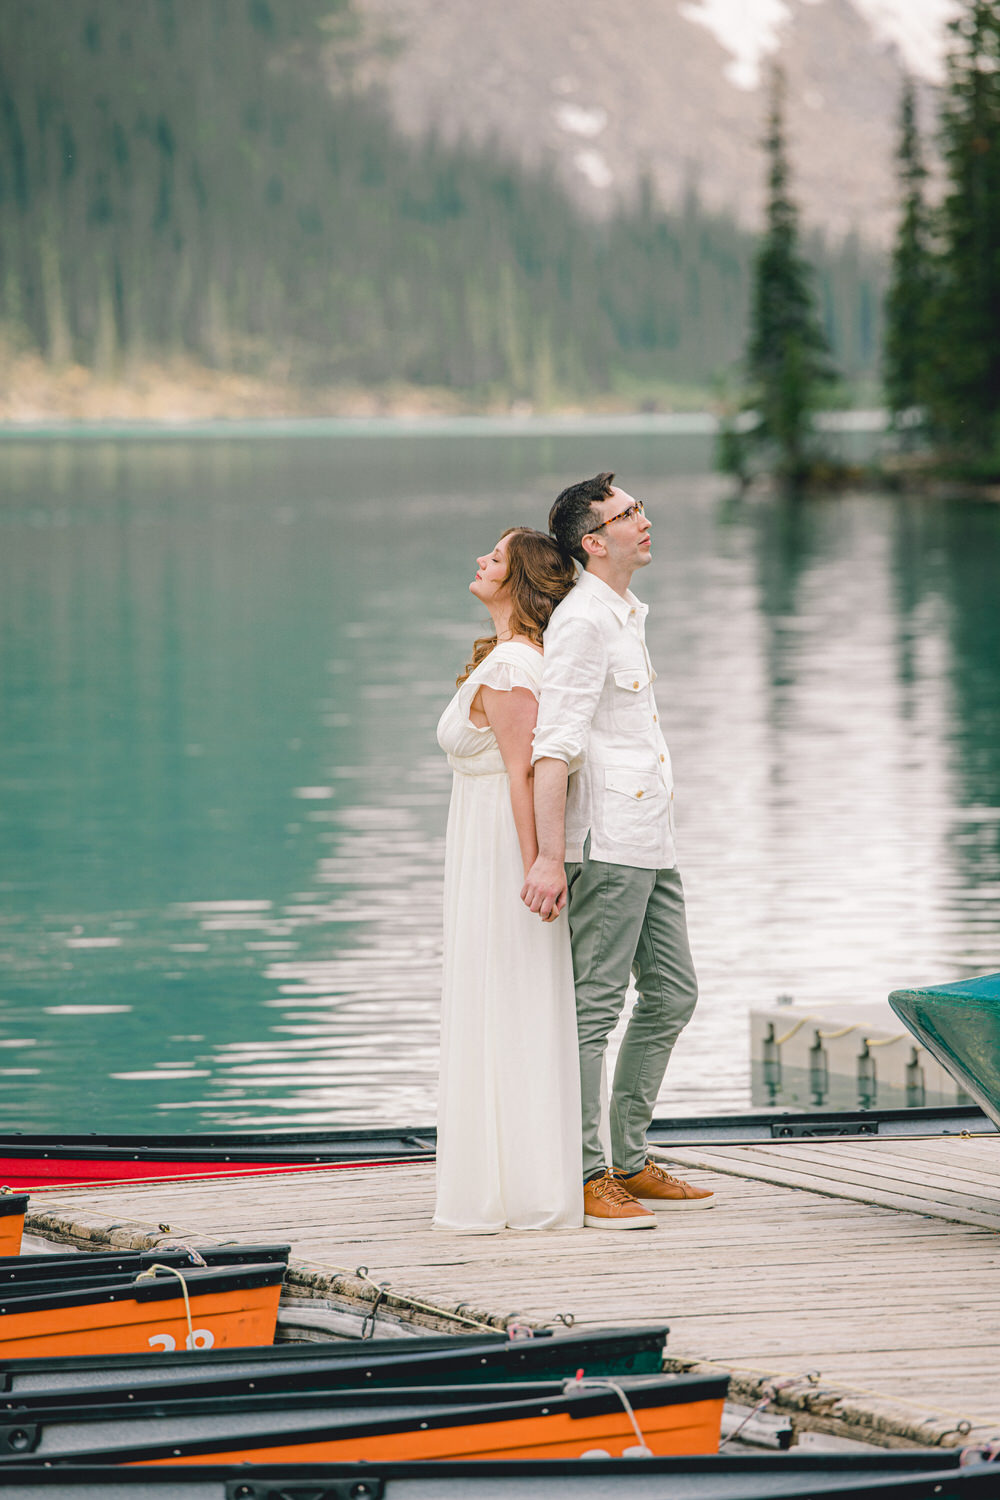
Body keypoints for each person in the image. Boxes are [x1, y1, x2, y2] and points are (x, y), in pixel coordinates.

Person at [522, 473, 714, 1229]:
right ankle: (584, 1173)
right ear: (592, 543)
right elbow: (553, 746)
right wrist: (546, 856)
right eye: (627, 513)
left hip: (650, 839)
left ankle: (630, 1158)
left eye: (638, 508)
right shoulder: (582, 622)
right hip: (604, 843)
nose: (645, 519)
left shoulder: (626, 613)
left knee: (673, 993)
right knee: (593, 1009)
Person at [434, 527, 583, 1232]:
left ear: (518, 580)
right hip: (483, 835)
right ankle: (500, 1174)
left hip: (500, 844)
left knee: (507, 991)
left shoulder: (513, 667)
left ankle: (521, 1185)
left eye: (492, 557)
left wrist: (537, 866)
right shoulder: (508, 659)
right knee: (494, 994)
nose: (479, 561)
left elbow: (525, 773)